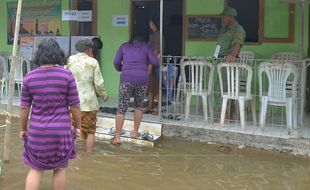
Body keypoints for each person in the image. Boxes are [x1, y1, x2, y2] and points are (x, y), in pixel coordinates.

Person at [20, 39, 81, 190]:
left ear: (39, 56)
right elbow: (75, 106)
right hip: (61, 132)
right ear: (58, 55)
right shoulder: (67, 75)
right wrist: (77, 126)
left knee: (36, 169)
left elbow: (24, 108)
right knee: (59, 169)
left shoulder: (29, 77)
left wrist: (23, 129)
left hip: (37, 131)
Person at [112, 34, 159, 145]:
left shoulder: (123, 46)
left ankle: (117, 137)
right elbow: (155, 62)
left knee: (122, 108)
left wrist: (122, 69)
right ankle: (135, 132)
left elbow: (116, 62)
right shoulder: (146, 46)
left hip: (126, 78)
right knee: (138, 106)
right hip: (142, 79)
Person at [67, 39, 108, 152]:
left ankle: (70, 154)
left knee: (71, 129)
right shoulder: (93, 62)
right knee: (90, 131)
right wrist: (104, 96)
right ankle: (89, 156)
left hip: (72, 103)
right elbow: (99, 83)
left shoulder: (70, 60)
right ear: (89, 49)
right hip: (88, 104)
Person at [145, 19, 161, 115]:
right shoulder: (153, 34)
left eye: (151, 23)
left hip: (155, 63)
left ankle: (158, 109)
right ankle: (150, 106)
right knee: (151, 85)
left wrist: (151, 64)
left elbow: (157, 51)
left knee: (157, 86)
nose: (150, 25)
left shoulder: (158, 34)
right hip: (151, 62)